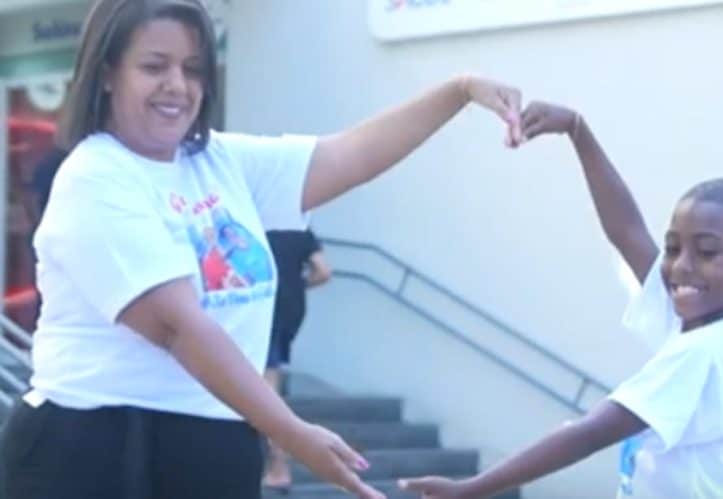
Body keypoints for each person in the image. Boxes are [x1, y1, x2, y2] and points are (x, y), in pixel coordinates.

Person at [0, 1, 524, 498]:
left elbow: (347, 156)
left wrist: (457, 93)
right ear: (108, 73)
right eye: (154, 66)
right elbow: (179, 327)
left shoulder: (217, 160)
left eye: (193, 68)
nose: (177, 86)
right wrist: (291, 432)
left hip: (213, 441)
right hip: (99, 448)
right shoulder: (96, 177)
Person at [401, 101, 723, 499]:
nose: (682, 266)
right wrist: (579, 132)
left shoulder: (704, 353)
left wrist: (473, 488)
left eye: (706, 251)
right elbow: (627, 230)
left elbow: (588, 434)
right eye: (673, 248)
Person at [262, 226, 332, 490]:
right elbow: (323, 271)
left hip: (261, 305)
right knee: (270, 381)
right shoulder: (299, 225)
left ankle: (279, 466)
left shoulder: (250, 215)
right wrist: (294, 284)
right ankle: (277, 465)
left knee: (265, 389)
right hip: (291, 307)